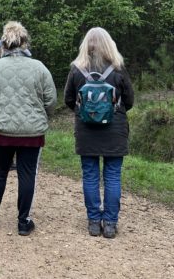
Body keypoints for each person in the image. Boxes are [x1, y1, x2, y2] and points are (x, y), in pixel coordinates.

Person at [0, 21, 57, 236]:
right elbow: (51, 101)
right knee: (28, 174)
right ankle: (23, 221)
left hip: (1, 131)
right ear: (25, 42)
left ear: (4, 43)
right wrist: (40, 116)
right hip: (33, 133)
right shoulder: (39, 67)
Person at [63, 27, 134, 239]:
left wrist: (85, 113)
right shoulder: (118, 69)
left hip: (86, 132)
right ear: (109, 44)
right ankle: (110, 224)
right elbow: (129, 100)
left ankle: (94, 222)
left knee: (90, 176)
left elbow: (68, 99)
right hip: (115, 131)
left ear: (85, 45)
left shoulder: (77, 70)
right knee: (112, 176)